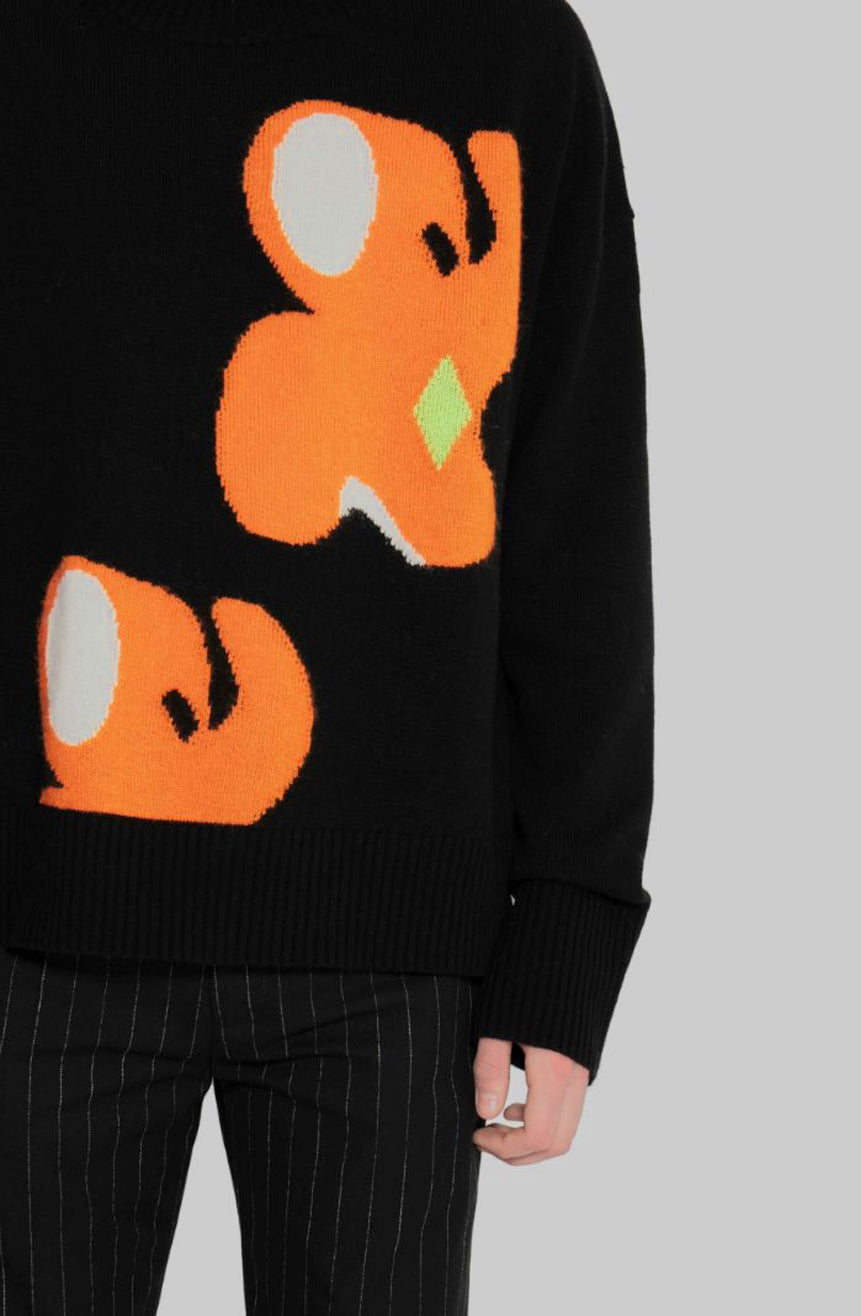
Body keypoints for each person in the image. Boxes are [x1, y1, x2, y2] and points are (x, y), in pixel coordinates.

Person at [0, 0, 653, 1310]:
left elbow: (576, 509)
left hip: (393, 957)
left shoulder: (509, 51)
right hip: (36, 927)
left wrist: (571, 927)